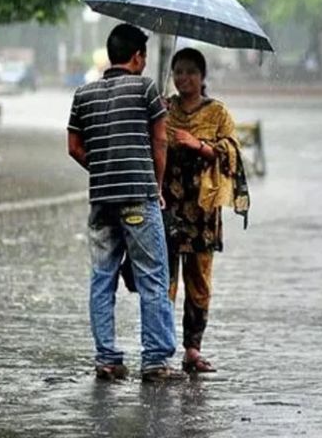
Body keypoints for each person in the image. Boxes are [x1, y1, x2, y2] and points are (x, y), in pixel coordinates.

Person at [67, 23, 182, 383]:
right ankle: (155, 361)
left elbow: (73, 146)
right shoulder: (146, 89)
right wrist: (156, 186)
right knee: (152, 277)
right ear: (137, 57)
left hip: (101, 200)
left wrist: (101, 168)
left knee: (102, 278)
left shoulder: (83, 94)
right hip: (138, 198)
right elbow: (160, 143)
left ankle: (107, 359)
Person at [162, 47, 250, 373]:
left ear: (202, 77)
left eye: (190, 72)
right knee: (165, 281)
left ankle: (192, 349)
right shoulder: (163, 108)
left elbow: (233, 155)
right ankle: (160, 349)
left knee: (198, 281)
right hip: (168, 208)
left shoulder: (217, 113)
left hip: (203, 211)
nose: (184, 78)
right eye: (178, 72)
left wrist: (198, 144)